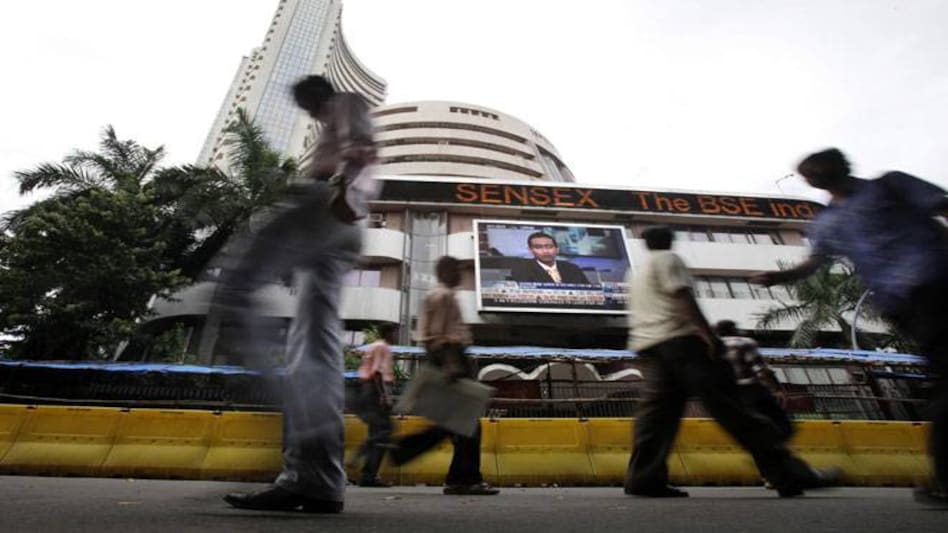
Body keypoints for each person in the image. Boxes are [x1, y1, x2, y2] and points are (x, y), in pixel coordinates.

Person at [752, 148, 948, 506]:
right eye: (807, 173)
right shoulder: (827, 223)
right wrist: (781, 276)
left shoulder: (890, 186)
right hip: (910, 304)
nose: (812, 176)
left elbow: (942, 206)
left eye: (815, 170)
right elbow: (813, 263)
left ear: (838, 168)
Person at [221, 75, 377, 513]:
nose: (308, 112)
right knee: (314, 345)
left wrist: (341, 186)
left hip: (325, 206)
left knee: (236, 289)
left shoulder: (344, 100)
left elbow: (362, 147)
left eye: (306, 103)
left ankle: (268, 383)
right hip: (340, 227)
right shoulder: (333, 112)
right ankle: (317, 481)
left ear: (314, 95)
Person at [624, 226, 839, 498]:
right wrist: (710, 337)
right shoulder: (669, 259)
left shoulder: (634, 272)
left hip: (650, 347)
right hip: (683, 343)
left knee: (655, 418)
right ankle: (788, 474)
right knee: (733, 409)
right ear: (669, 240)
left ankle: (644, 479)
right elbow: (682, 298)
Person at [389, 256, 500, 495]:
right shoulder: (444, 296)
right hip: (452, 358)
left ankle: (458, 477)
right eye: (458, 270)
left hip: (450, 358)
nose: (461, 275)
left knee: (460, 423)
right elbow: (439, 336)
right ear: (447, 272)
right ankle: (464, 478)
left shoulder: (441, 295)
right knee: (467, 423)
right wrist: (453, 366)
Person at [715, 320, 794, 443]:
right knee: (783, 425)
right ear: (734, 329)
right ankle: (776, 450)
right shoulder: (744, 343)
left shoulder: (711, 346)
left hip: (729, 394)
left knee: (748, 424)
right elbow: (761, 369)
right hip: (752, 390)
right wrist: (777, 389)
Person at [350, 324, 397, 487]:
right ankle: (364, 459)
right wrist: (384, 395)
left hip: (368, 390)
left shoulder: (374, 347)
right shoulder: (382, 347)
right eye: (395, 332)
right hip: (374, 391)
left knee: (379, 432)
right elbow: (377, 372)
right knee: (385, 431)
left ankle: (368, 475)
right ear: (389, 333)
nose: (396, 336)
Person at [510, 231, 589, 284]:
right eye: (538, 247)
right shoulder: (522, 269)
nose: (545, 251)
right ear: (531, 251)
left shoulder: (572, 268)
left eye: (549, 247)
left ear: (557, 249)